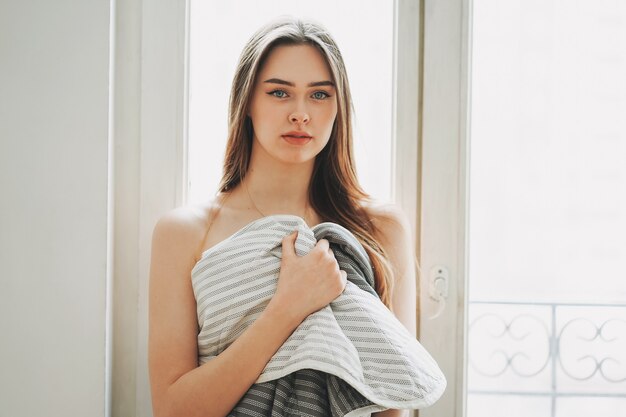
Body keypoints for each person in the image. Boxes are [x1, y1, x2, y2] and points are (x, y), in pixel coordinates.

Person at [148, 17, 429, 417]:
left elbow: (397, 401)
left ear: (338, 108)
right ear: (247, 102)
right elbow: (173, 410)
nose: (300, 113)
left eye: (319, 95)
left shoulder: (382, 230)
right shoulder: (183, 233)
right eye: (280, 92)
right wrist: (287, 308)